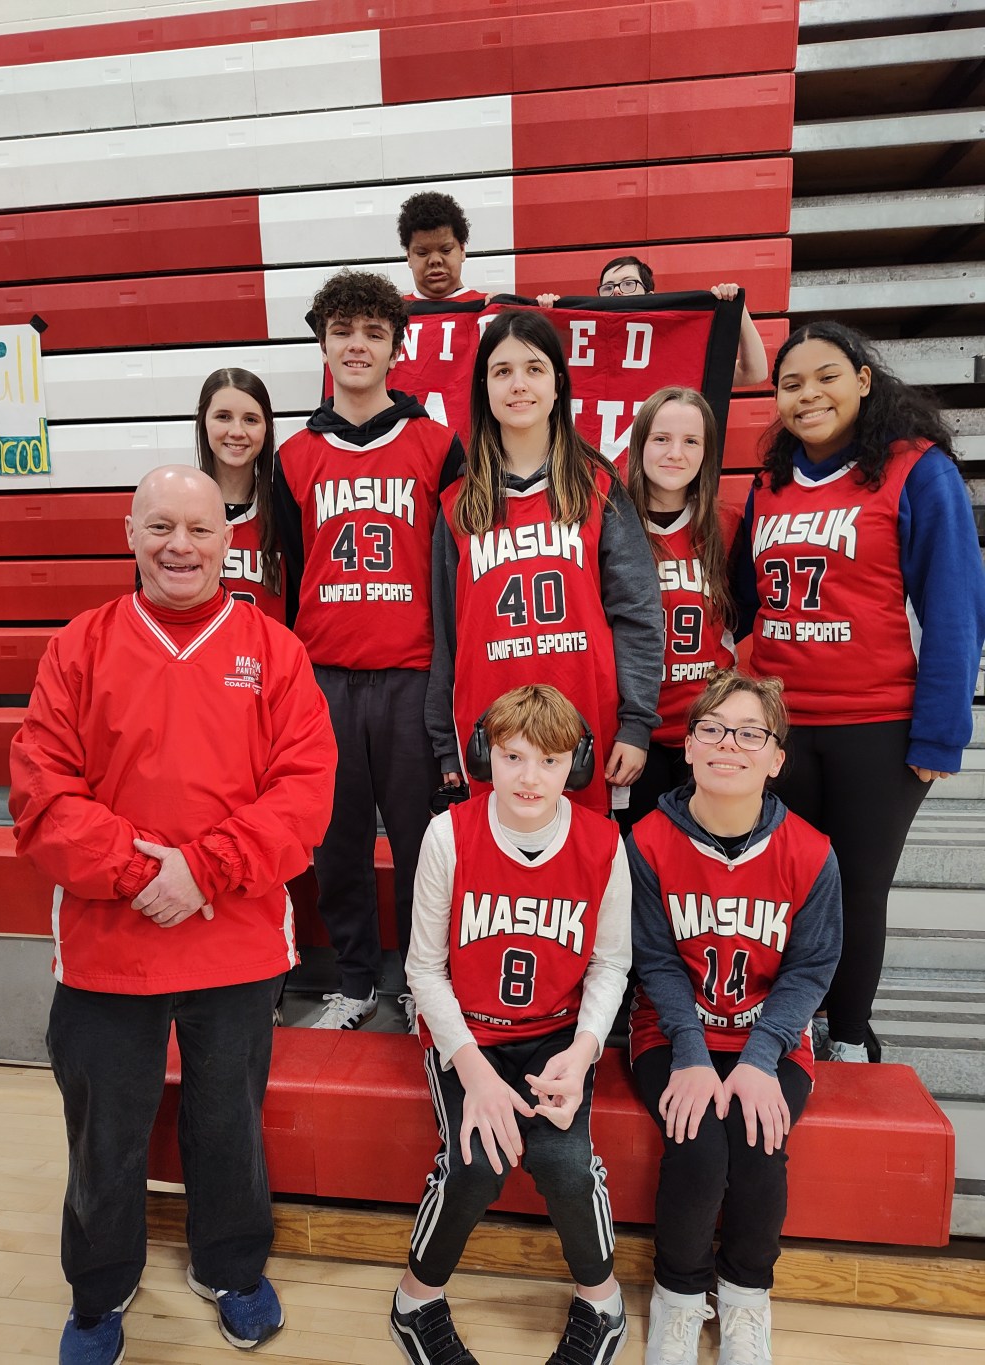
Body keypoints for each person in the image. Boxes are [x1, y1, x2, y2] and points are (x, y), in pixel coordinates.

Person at [8, 466, 336, 1365]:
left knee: (227, 1117)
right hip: (110, 943)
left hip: (234, 938)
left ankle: (230, 1265)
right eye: (159, 527)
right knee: (104, 1129)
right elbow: (40, 796)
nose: (179, 545)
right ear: (129, 532)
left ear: (230, 538)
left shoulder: (274, 651)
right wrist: (143, 873)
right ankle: (100, 1288)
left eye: (197, 528)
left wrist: (204, 869)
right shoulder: (79, 645)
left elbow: (304, 796)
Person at [737, 319, 985, 1062]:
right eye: (791, 384)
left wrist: (942, 732)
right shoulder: (769, 483)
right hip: (781, 726)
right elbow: (746, 598)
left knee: (857, 888)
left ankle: (847, 1033)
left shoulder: (916, 468)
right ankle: (791, 1025)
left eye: (826, 376)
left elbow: (953, 606)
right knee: (790, 886)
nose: (808, 394)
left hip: (875, 724)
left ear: (864, 380)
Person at [396, 684, 632, 1365]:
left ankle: (603, 1298)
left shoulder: (601, 844)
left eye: (551, 761)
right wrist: (473, 1070)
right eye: (513, 756)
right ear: (484, 756)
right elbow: (423, 970)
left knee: (564, 1162)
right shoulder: (450, 833)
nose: (531, 777)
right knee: (475, 1163)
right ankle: (416, 1297)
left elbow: (610, 965)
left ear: (575, 766)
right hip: (468, 1034)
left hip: (555, 1037)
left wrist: (584, 1051)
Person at [628, 669, 842, 1365]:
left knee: (757, 1140)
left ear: (775, 757)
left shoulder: (811, 852)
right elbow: (654, 960)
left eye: (751, 732)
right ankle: (679, 1297)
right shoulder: (649, 840)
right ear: (687, 747)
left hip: (768, 1037)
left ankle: (747, 1295)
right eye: (713, 729)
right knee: (696, 1145)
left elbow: (810, 970)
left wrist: (758, 1059)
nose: (730, 744)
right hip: (672, 1031)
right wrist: (691, 1052)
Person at [274, 269, 464, 1031]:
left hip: (412, 675)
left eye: (373, 332)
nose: (357, 345)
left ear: (397, 347)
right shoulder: (292, 456)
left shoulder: (438, 445)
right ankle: (356, 980)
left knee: (423, 844)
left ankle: (423, 980)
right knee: (338, 843)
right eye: (343, 331)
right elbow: (290, 576)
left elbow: (456, 573)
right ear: (324, 342)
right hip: (324, 678)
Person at [426, 308, 663, 817]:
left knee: (582, 879)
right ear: (483, 388)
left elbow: (638, 612)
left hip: (584, 723)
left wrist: (636, 720)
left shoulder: (598, 489)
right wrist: (445, 739)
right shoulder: (458, 504)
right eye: (502, 371)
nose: (518, 385)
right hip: (488, 730)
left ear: (558, 384)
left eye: (533, 369)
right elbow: (447, 633)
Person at [618, 387, 739, 830]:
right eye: (661, 438)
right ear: (639, 444)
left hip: (708, 734)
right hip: (635, 739)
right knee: (638, 870)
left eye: (691, 441)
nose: (675, 453)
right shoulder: (609, 522)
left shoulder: (726, 526)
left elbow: (739, 621)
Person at [538, 254, 768, 387]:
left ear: (650, 297)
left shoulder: (671, 350)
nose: (616, 292)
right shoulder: (583, 349)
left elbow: (753, 373)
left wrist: (737, 309)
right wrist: (545, 318)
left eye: (628, 284)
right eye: (608, 288)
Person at [195, 366, 284, 620]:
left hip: (269, 659)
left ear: (266, 428)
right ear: (203, 422)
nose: (236, 431)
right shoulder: (178, 507)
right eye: (223, 417)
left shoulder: (286, 510)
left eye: (250, 419)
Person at [398, 190, 486, 303]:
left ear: (462, 250)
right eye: (422, 253)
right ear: (409, 256)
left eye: (446, 250)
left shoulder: (490, 308)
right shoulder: (390, 315)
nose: (435, 260)